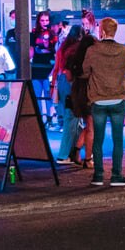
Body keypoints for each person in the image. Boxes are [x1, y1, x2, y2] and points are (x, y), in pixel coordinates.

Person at [82, 16, 125, 186]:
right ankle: (117, 175)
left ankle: (98, 175)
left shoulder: (92, 51)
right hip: (118, 98)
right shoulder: (124, 50)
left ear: (102, 31)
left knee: (98, 138)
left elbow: (85, 70)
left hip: (98, 98)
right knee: (118, 139)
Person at [52, 25, 86, 165]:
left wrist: (53, 85)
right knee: (72, 118)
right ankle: (64, 154)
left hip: (62, 82)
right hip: (72, 82)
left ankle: (73, 152)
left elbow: (57, 68)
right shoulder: (77, 50)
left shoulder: (63, 48)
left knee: (73, 118)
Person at [28, 11, 56, 122]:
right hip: (36, 67)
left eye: (47, 20)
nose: (45, 22)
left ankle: (52, 116)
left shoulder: (53, 33)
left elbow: (54, 50)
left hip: (49, 66)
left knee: (49, 93)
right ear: (38, 21)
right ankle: (40, 117)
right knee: (38, 94)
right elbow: (31, 50)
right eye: (42, 20)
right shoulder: (33, 33)